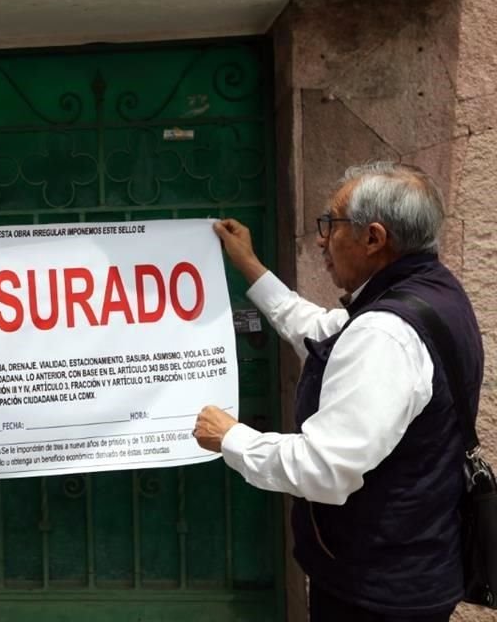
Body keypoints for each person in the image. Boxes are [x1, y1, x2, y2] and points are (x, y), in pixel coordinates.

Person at [193, 162, 483, 621]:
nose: (322, 240)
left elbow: (325, 469)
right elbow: (323, 333)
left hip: (377, 592)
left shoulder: (386, 333)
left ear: (373, 238)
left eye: (331, 224)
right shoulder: (430, 294)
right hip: (409, 567)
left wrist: (231, 437)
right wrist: (250, 265)